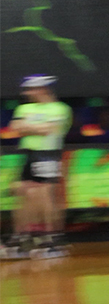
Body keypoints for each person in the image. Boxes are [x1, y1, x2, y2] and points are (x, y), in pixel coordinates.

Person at [3, 74, 73, 258]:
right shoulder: (24, 107)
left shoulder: (59, 108)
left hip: (48, 154)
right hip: (28, 153)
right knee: (23, 193)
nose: (27, 93)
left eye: (31, 89)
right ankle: (21, 239)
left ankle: (51, 239)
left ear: (42, 89)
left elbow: (49, 130)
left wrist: (29, 126)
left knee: (45, 195)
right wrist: (36, 127)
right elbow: (15, 127)